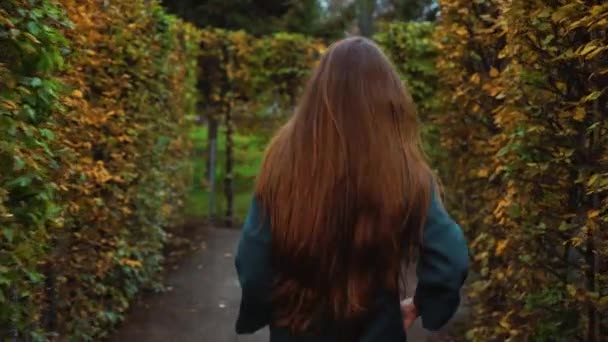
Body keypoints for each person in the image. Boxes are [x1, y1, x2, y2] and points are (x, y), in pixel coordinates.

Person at [234, 36, 469, 341]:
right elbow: (450, 258)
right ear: (388, 99)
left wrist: (266, 310)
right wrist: (424, 304)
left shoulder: (282, 165)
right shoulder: (405, 171)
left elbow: (253, 267)